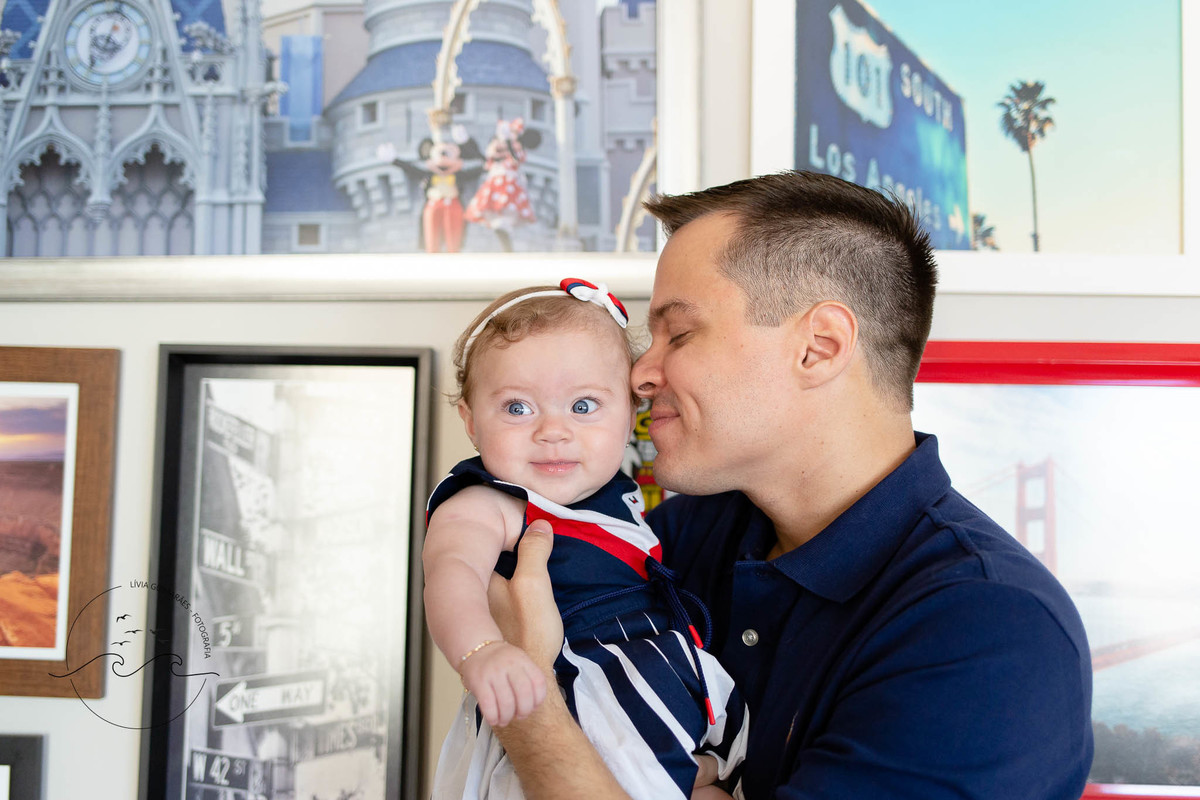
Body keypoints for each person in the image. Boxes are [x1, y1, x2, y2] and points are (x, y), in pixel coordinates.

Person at [485, 172, 1095, 799]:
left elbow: (544, 672)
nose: (641, 373)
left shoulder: (995, 635)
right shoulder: (678, 536)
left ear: (819, 348)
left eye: (681, 333)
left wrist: (530, 698)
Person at [423, 278, 748, 800]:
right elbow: (450, 574)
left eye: (583, 407)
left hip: (658, 681)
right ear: (469, 420)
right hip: (578, 693)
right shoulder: (489, 502)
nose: (553, 430)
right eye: (517, 408)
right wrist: (479, 650)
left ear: (631, 413)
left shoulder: (624, 495)